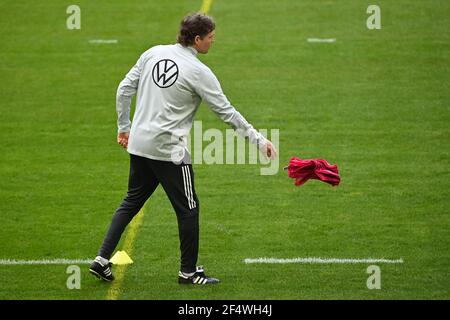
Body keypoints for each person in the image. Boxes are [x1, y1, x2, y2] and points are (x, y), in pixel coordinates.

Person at [89, 12, 277, 285]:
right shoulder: (199, 72)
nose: (213, 42)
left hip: (140, 144)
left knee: (131, 202)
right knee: (189, 209)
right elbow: (226, 112)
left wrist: (123, 127)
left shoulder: (153, 53)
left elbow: (123, 89)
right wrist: (259, 140)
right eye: (210, 38)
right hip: (169, 151)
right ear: (197, 39)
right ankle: (188, 272)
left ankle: (101, 260)